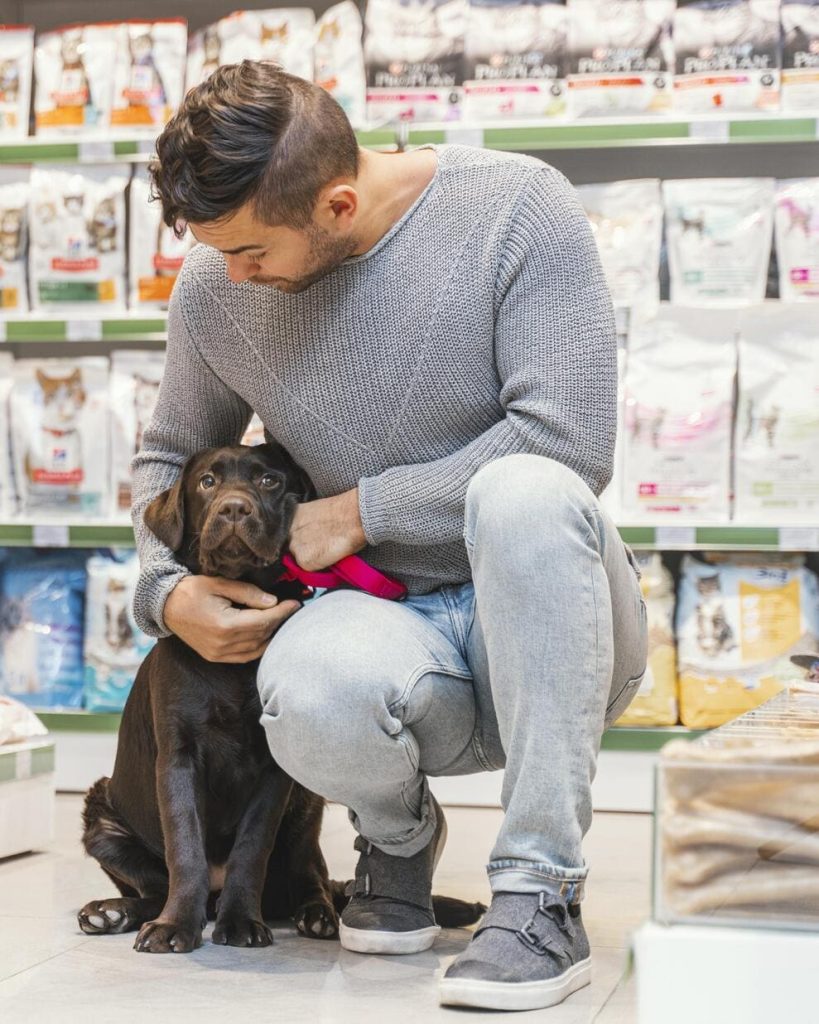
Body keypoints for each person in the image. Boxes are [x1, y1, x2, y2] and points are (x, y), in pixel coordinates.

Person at [135, 59, 647, 1013]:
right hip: (384, 619)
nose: (230, 275)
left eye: (249, 253)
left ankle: (541, 890)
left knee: (524, 492)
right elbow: (166, 459)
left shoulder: (517, 209)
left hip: (545, 620)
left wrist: (363, 510)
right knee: (307, 688)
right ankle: (396, 845)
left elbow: (568, 440)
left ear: (334, 204)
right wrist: (162, 591)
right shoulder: (215, 284)